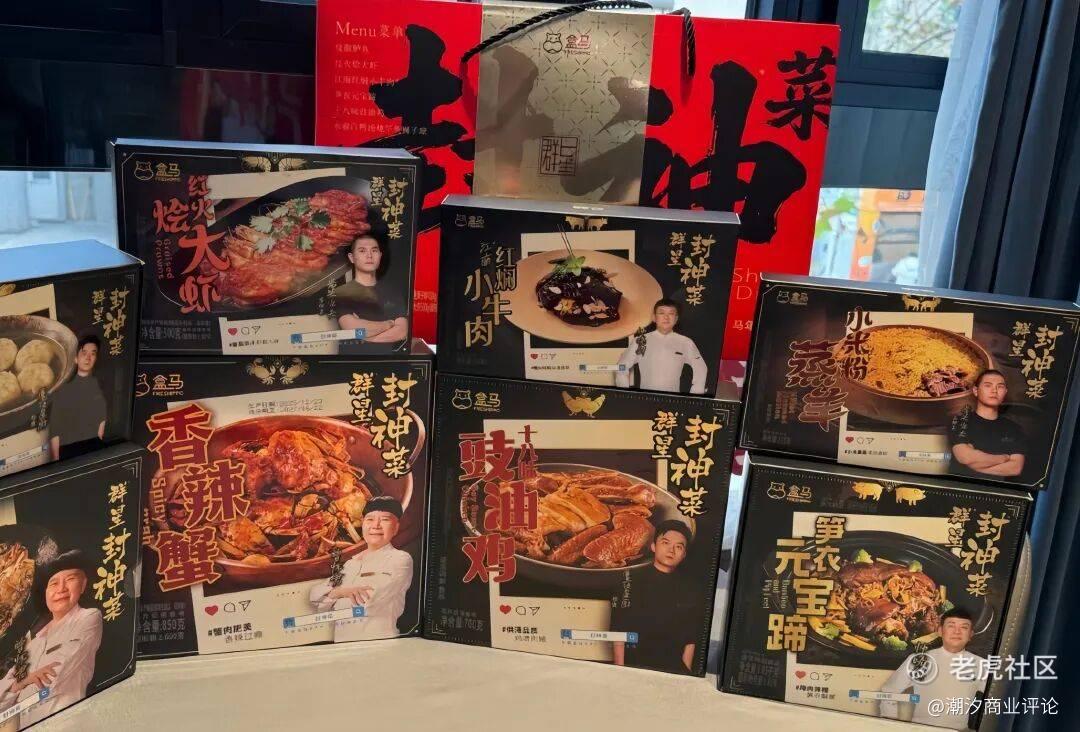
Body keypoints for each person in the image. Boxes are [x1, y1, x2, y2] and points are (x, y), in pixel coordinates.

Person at [0, 551, 103, 727]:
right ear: (46, 593)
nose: (61, 589)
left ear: (83, 584)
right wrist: (23, 682)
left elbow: (52, 680)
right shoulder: (34, 640)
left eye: (70, 579)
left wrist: (18, 688)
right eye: (53, 583)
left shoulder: (88, 618)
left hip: (66, 724)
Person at [308, 496, 413, 641]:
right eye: (370, 519)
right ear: (362, 524)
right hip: (342, 644)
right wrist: (342, 592)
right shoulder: (351, 563)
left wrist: (334, 596)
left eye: (384, 520)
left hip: (379, 643)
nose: (376, 525)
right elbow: (315, 596)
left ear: (396, 528)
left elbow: (368, 601)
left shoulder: (400, 559)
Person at [609, 520, 697, 674]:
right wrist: (620, 670)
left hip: (674, 670)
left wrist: (686, 672)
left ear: (684, 555)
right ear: (653, 546)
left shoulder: (689, 587)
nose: (671, 550)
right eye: (666, 543)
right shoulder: (630, 580)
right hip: (635, 667)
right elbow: (618, 629)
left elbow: (690, 636)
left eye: (678, 547)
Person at [878, 608, 984, 730]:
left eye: (964, 627)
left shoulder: (981, 664)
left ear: (971, 635)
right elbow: (889, 691)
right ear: (940, 631)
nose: (957, 631)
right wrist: (891, 726)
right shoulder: (919, 660)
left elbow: (998, 697)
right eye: (951, 626)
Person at [615, 299, 706, 394]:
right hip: (646, 398)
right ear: (654, 317)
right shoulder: (641, 341)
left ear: (676, 319)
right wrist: (624, 392)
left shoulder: (685, 342)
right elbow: (621, 366)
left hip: (672, 399)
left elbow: (701, 368)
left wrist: (696, 393)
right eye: (661, 313)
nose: (666, 317)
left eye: (671, 313)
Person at [949, 369, 1027, 478]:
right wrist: (1003, 458)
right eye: (988, 385)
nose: (994, 390)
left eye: (1000, 386)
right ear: (975, 391)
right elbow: (965, 457)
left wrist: (976, 463)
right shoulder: (960, 421)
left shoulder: (1014, 428)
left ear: (1005, 392)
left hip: (996, 487)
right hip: (963, 486)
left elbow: (1015, 468)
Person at [335, 233, 408, 343]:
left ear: (380, 256)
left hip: (390, 353)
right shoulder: (342, 292)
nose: (369, 255)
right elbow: (351, 328)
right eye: (362, 251)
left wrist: (366, 336)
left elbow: (401, 332)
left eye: (374, 250)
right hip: (354, 353)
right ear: (352, 257)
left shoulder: (393, 291)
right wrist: (389, 324)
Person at [49, 335, 107, 461]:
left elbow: (102, 419)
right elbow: (55, 429)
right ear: (75, 358)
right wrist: (56, 460)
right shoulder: (63, 389)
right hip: (68, 452)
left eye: (93, 354)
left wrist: (99, 442)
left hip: (94, 450)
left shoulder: (100, 386)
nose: (88, 358)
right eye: (84, 353)